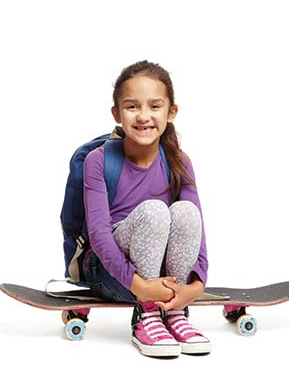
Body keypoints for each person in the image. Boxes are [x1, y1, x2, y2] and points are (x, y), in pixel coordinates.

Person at [82, 60, 210, 357]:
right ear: (116, 113)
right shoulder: (98, 161)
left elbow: (198, 229)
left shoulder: (180, 161)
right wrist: (141, 287)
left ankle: (175, 313)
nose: (143, 116)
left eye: (154, 106)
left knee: (186, 212)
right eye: (131, 107)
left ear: (171, 112)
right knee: (154, 210)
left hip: (164, 277)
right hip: (110, 273)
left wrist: (195, 286)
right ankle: (147, 315)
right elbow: (99, 236)